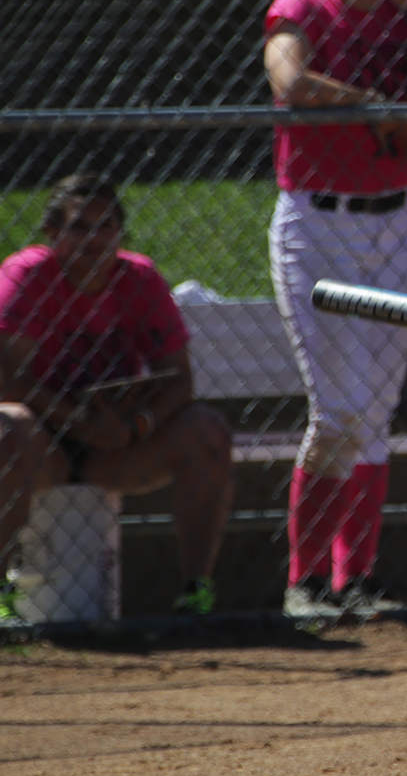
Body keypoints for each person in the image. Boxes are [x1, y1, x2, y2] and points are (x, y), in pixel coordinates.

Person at [263, 0, 407, 616]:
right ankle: (306, 583)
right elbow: (291, 83)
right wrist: (370, 103)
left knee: (374, 413)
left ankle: (356, 579)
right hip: (317, 224)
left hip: (396, 223)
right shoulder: (301, 6)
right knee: (338, 410)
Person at [0, 176, 233, 615]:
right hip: (43, 441)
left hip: (116, 445)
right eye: (79, 227)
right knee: (6, 428)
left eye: (106, 226)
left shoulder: (139, 277)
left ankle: (195, 593)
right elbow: (7, 379)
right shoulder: (28, 274)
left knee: (208, 430)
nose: (94, 239)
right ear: (53, 234)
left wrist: (132, 429)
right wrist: (82, 423)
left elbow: (179, 380)